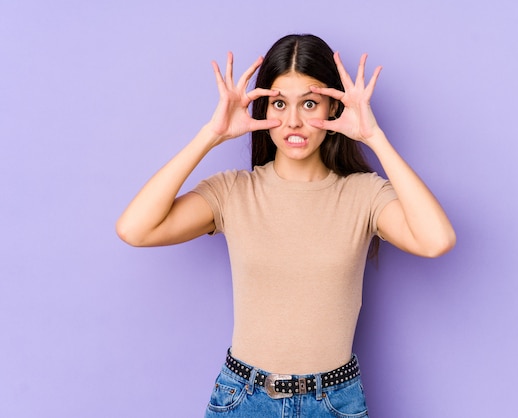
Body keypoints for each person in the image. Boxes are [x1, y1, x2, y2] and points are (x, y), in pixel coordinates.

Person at [116, 34, 455, 418]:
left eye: (309, 103)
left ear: (334, 107)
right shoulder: (233, 191)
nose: (293, 121)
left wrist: (374, 138)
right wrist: (209, 136)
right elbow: (135, 229)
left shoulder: (364, 195)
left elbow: (436, 240)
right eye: (279, 103)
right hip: (243, 398)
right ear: (264, 110)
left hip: (334, 402)